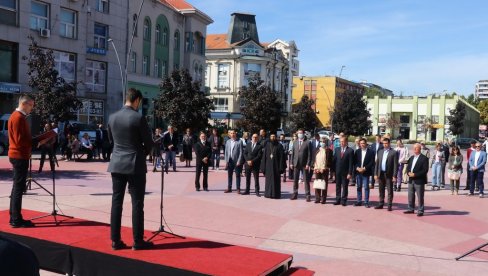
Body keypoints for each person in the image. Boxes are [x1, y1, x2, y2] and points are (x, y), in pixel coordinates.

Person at [108, 88, 153, 250]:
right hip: (135, 165)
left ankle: (115, 240)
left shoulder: (112, 117)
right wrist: (143, 152)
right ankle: (138, 241)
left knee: (116, 202)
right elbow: (149, 143)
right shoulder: (138, 118)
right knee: (137, 203)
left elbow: (111, 141)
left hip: (117, 163)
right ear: (137, 100)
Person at [8, 94, 35, 228]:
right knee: (19, 188)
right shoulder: (18, 117)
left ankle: (13, 216)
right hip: (19, 156)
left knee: (16, 187)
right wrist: (34, 142)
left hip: (17, 155)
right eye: (31, 105)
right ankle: (16, 219)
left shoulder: (16, 116)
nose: (32, 108)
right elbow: (20, 140)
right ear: (24, 104)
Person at [404, 143, 429, 216]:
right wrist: (408, 173)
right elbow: (408, 167)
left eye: (416, 148)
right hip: (411, 180)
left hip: (419, 180)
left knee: (420, 196)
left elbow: (425, 170)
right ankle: (410, 208)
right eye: (413, 148)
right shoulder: (411, 158)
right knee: (410, 195)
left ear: (419, 149)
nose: (414, 149)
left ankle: (420, 210)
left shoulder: (424, 158)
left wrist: (415, 174)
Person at [374, 137, 398, 211]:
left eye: (386, 143)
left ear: (389, 143)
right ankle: (381, 203)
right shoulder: (380, 151)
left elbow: (395, 165)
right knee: (381, 189)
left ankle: (389, 205)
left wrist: (394, 176)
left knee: (389, 190)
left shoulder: (393, 152)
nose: (385, 145)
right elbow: (377, 164)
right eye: (383, 143)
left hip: (389, 174)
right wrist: (375, 174)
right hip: (380, 173)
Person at [261, 133, 286, 199]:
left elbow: (282, 157)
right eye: (271, 136)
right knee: (268, 180)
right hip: (268, 166)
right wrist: (263, 167)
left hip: (276, 166)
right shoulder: (267, 145)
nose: (273, 138)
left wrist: (281, 167)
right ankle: (268, 194)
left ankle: (276, 194)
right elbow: (264, 157)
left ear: (276, 137)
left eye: (274, 136)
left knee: (276, 180)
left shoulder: (279, 146)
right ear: (270, 137)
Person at [290, 129, 312, 201]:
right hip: (296, 163)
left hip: (304, 164)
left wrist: (308, 164)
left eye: (301, 133)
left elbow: (309, 154)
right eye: (298, 133)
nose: (300, 134)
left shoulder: (308, 142)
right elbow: (293, 153)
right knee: (295, 180)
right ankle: (295, 193)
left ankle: (307, 195)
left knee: (306, 180)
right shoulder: (295, 142)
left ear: (303, 134)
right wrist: (291, 163)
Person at [332, 135, 354, 206]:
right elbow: (334, 160)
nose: (342, 143)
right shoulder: (337, 149)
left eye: (343, 141)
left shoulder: (350, 151)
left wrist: (350, 173)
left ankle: (344, 200)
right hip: (337, 171)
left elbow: (351, 163)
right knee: (337, 186)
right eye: (340, 141)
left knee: (345, 186)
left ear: (346, 142)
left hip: (345, 172)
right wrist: (332, 171)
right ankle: (337, 199)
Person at [354, 137, 375, 207]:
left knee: (366, 187)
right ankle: (359, 201)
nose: (362, 144)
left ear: (366, 144)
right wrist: (357, 168)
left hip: (366, 172)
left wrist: (364, 168)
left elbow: (371, 162)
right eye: (361, 143)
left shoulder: (371, 152)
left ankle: (366, 201)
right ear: (359, 144)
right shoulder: (357, 152)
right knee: (359, 187)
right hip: (358, 172)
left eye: (363, 143)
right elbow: (355, 161)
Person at [313, 136, 332, 204]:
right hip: (317, 169)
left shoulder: (329, 151)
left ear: (326, 143)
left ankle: (323, 199)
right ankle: (317, 198)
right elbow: (314, 160)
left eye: (324, 141)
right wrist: (316, 168)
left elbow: (329, 161)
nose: (322, 143)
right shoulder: (317, 150)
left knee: (324, 184)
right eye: (321, 141)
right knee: (317, 184)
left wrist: (324, 168)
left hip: (324, 170)